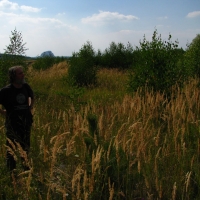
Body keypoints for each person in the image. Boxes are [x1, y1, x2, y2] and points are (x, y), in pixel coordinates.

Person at [0, 66, 34, 171]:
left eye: (22, 73)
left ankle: (26, 169)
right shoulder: (6, 90)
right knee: (11, 148)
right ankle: (12, 171)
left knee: (25, 147)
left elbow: (32, 97)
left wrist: (30, 107)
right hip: (12, 125)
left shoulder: (25, 87)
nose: (23, 74)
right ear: (13, 76)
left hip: (25, 123)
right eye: (20, 73)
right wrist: (3, 112)